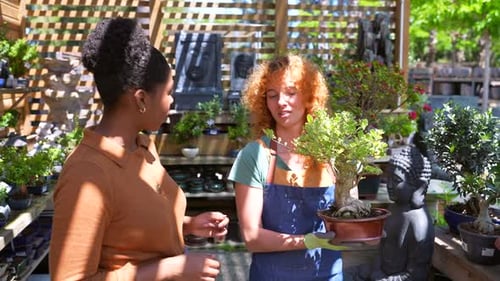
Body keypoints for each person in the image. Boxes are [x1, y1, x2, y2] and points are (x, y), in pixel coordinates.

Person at [49, 17, 229, 281]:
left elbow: (132, 225)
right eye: (168, 92)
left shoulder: (142, 147)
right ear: (142, 99)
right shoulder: (87, 174)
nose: (172, 100)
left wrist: (188, 225)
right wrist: (170, 269)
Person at [227, 54, 346, 281]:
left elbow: (349, 218)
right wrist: (309, 241)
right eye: (272, 95)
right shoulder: (255, 156)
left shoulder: (333, 152)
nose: (281, 101)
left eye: (291, 93)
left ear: (309, 95)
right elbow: (252, 237)